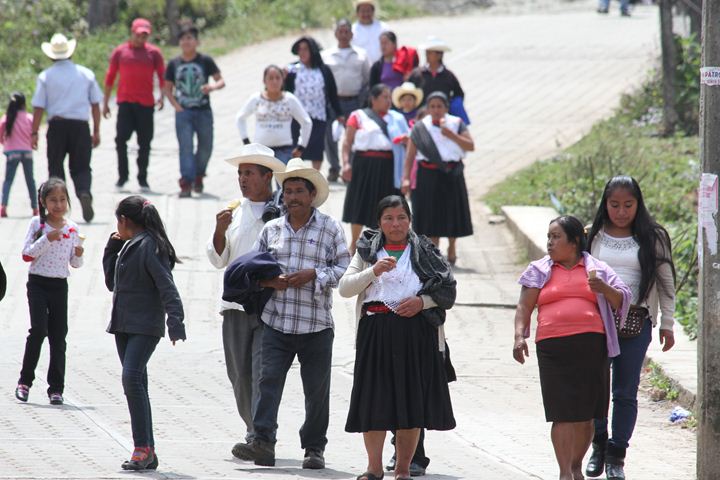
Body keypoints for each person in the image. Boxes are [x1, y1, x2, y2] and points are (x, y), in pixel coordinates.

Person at [234, 158, 351, 469]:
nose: (293, 197)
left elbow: (344, 270)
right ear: (282, 196)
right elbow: (253, 269)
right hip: (277, 322)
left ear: (312, 195)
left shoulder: (330, 228)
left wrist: (314, 275)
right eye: (288, 192)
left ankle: (314, 449)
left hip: (316, 326)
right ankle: (262, 443)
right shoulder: (271, 230)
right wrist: (270, 282)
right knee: (267, 382)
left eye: (299, 191)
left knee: (316, 392)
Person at [340, 195, 456, 480]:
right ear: (379, 222)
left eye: (401, 217)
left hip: (414, 334)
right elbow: (345, 288)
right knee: (373, 400)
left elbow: (448, 291)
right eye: (389, 218)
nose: (396, 224)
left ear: (410, 220)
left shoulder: (425, 250)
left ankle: (403, 469)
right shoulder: (367, 250)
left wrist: (423, 302)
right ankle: (374, 468)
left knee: (410, 401)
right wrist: (373, 271)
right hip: (375, 332)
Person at [513, 215, 632, 480]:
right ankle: (564, 472)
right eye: (549, 237)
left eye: (556, 237)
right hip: (552, 348)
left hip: (591, 346)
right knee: (561, 412)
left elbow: (622, 298)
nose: (550, 243)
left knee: (586, 414)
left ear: (575, 241)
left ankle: (577, 466)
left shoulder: (597, 269)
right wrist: (519, 337)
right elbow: (524, 306)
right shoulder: (539, 270)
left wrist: (603, 288)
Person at [584, 176, 676, 480]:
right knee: (596, 387)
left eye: (628, 205)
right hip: (597, 321)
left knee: (625, 391)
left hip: (637, 322)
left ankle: (617, 455)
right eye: (614, 205)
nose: (621, 212)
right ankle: (598, 444)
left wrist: (667, 323)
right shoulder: (592, 236)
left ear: (638, 204)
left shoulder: (653, 237)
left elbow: (666, 283)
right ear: (605, 204)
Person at [206, 143, 286, 458]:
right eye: (241, 173)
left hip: (268, 304)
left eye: (250, 173)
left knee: (262, 372)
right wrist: (218, 229)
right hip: (235, 306)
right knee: (238, 374)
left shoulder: (281, 211)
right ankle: (254, 430)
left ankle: (261, 436)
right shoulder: (234, 211)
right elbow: (218, 258)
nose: (243, 179)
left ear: (268, 176)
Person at [102, 195, 186, 471]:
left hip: (144, 327)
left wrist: (176, 321)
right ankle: (148, 449)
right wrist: (113, 245)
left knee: (131, 379)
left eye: (118, 222)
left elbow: (167, 285)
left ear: (125, 220)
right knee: (138, 383)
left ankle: (142, 447)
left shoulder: (150, 246)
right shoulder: (129, 244)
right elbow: (111, 282)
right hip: (124, 325)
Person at [15, 178, 84, 405]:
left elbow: (75, 264)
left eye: (62, 199)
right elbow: (27, 254)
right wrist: (46, 239)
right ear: (44, 202)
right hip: (38, 283)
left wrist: (80, 252)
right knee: (38, 330)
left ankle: (56, 388)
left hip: (59, 286)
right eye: (53, 200)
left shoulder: (72, 228)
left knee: (58, 336)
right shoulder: (38, 224)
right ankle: (25, 382)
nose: (58, 204)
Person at [31, 33, 102, 223]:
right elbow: (95, 104)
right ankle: (84, 192)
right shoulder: (86, 74)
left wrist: (34, 132)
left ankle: (56, 204)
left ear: (51, 55)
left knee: (56, 165)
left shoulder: (45, 76)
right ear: (70, 53)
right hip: (80, 126)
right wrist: (96, 130)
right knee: (81, 166)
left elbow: (39, 106)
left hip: (57, 126)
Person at [401, 91, 473, 265]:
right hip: (428, 174)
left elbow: (470, 145)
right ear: (427, 108)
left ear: (446, 108)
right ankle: (434, 252)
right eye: (432, 106)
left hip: (452, 173)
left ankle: (452, 246)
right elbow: (410, 156)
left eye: (439, 106)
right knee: (431, 214)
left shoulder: (456, 123)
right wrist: (406, 179)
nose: (436, 110)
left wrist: (451, 135)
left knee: (452, 212)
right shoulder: (420, 127)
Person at [342, 83, 409, 253]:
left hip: (388, 166)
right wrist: (346, 163)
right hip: (363, 164)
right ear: (373, 99)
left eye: (389, 97)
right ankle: (354, 243)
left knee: (386, 204)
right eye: (384, 97)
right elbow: (347, 142)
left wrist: (405, 141)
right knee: (359, 202)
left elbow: (409, 144)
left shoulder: (397, 118)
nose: (388, 101)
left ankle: (382, 243)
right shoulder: (358, 116)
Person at [163, 24, 225, 197]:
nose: (186, 41)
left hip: (203, 110)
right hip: (183, 112)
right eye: (183, 38)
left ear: (197, 42)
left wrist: (211, 87)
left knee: (206, 146)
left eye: (190, 38)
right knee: (185, 147)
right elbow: (167, 88)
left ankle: (199, 174)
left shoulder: (205, 61)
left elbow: (221, 81)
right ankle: (186, 181)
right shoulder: (174, 63)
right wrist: (176, 106)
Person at [104, 18, 165, 192]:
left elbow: (162, 76)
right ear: (132, 33)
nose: (141, 39)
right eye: (139, 35)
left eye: (145, 35)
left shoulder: (154, 53)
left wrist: (162, 96)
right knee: (121, 140)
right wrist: (106, 103)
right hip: (125, 103)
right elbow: (110, 77)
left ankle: (142, 178)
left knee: (144, 142)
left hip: (146, 104)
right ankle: (122, 177)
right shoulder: (120, 52)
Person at [322, 18, 371, 182]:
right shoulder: (326, 55)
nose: (343, 35)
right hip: (332, 101)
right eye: (340, 31)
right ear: (335, 33)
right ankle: (334, 167)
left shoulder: (361, 55)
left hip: (354, 100)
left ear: (351, 33)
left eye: (346, 31)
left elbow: (366, 79)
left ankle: (348, 167)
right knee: (329, 135)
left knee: (353, 135)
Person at [284, 36, 343, 171]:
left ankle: (314, 176)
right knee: (297, 149)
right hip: (296, 117)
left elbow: (332, 93)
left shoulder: (323, 70)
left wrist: (339, 113)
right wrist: (283, 77)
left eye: (306, 49)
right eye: (300, 49)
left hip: (318, 116)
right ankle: (295, 174)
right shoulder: (292, 70)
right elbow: (284, 91)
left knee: (316, 150)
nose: (303, 52)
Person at [236, 65, 312, 164]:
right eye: (270, 78)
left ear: (283, 79)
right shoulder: (256, 99)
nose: (274, 82)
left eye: (277, 78)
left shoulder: (290, 99)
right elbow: (240, 118)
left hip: (284, 150)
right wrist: (246, 141)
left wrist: (301, 146)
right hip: (260, 150)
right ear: (264, 81)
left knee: (283, 179)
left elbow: (306, 122)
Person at [408, 37, 465, 118]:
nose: (427, 55)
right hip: (421, 117)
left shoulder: (448, 76)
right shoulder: (417, 74)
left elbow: (459, 94)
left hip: (443, 117)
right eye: (427, 52)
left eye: (430, 52)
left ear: (439, 55)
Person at [0, 92, 37, 217]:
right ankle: (35, 208)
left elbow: (1, 132)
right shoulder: (29, 117)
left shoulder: (7, 117)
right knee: (30, 180)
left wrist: (4, 142)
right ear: (24, 104)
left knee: (8, 180)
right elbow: (33, 133)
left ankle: (3, 206)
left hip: (12, 153)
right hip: (27, 152)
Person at [352, 0, 390, 64]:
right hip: (360, 68)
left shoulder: (384, 28)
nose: (366, 14)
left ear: (373, 11)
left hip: (381, 67)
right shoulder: (352, 30)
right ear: (357, 13)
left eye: (368, 11)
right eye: (363, 11)